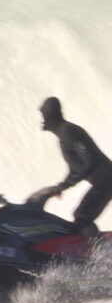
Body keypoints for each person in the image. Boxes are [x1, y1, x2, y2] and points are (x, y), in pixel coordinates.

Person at [31, 96, 112, 237]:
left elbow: (89, 161)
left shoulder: (68, 132)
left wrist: (66, 184)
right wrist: (60, 187)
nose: (43, 120)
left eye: (44, 115)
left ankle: (99, 252)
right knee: (81, 216)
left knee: (82, 216)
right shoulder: (64, 135)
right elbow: (76, 169)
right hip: (104, 180)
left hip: (106, 179)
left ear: (51, 117)